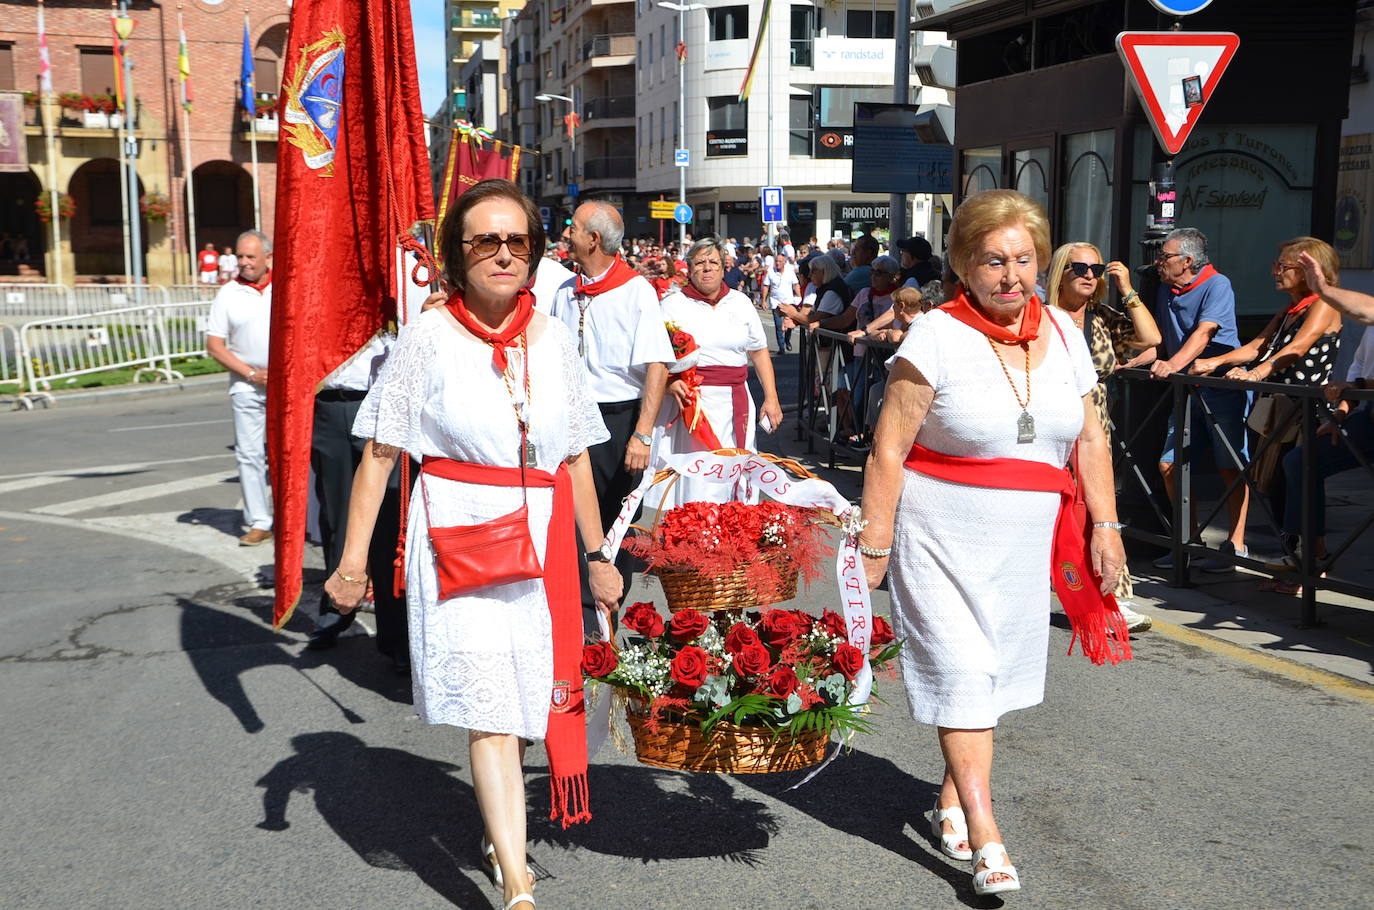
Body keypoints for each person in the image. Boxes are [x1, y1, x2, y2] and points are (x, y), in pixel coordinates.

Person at [324, 179, 621, 910]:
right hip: (459, 535)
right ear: (456, 257)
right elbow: (382, 454)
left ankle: (501, 831)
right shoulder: (427, 337)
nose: (503, 254)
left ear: (536, 253)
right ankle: (517, 883)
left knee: (524, 700)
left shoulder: (553, 340)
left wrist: (597, 554)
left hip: (545, 542)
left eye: (517, 241)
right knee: (492, 705)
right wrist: (352, 562)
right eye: (485, 240)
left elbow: (576, 455)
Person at [858, 189, 1126, 898]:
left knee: (991, 676)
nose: (1011, 276)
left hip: (1024, 544)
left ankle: (951, 791)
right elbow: (889, 451)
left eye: (1023, 260)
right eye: (993, 261)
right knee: (964, 670)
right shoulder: (937, 336)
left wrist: (1107, 528)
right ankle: (984, 830)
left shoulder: (1066, 334)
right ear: (964, 267)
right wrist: (875, 541)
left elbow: (1091, 438)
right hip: (938, 532)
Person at [549, 201, 674, 602]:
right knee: (568, 524)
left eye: (574, 227)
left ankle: (606, 630)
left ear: (594, 239)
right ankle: (573, 617)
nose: (567, 234)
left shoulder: (635, 291)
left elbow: (657, 365)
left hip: (618, 421)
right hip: (571, 419)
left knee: (614, 527)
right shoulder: (565, 291)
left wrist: (642, 435)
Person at [1189, 237, 1343, 558]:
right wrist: (1214, 362)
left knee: (1297, 486)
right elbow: (1258, 346)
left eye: (1283, 266)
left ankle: (1312, 563)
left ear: (1306, 271)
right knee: (1276, 487)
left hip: (1305, 412)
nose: (1275, 272)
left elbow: (1297, 348)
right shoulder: (1289, 309)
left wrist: (1255, 374)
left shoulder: (1323, 305)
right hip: (1280, 410)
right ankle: (1296, 560)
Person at [1047, 241, 1164, 633]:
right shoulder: (1040, 317)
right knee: (1056, 511)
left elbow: (1150, 338)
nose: (1088, 275)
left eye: (1095, 270)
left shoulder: (1101, 317)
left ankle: (1111, 596)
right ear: (1060, 271)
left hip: (1094, 426)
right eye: (1079, 268)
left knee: (1099, 512)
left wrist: (1127, 287)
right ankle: (1071, 590)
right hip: (1049, 425)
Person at [1135, 227, 1251, 570]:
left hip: (1220, 387)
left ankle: (1236, 545)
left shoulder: (1218, 284)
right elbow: (1158, 341)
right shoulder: (1164, 289)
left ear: (1187, 261)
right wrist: (1128, 362)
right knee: (1169, 465)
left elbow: (1203, 333)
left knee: (1231, 467)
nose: (1159, 263)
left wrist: (1172, 364)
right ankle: (1189, 542)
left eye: (1165, 257)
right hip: (1185, 388)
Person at [659, 238, 783, 507]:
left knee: (738, 466)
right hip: (693, 406)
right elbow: (654, 359)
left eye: (713, 262)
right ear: (689, 269)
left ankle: (737, 536)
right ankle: (696, 537)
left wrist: (771, 398)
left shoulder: (740, 303)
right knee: (701, 477)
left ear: (723, 267)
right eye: (700, 263)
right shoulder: (672, 305)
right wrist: (669, 384)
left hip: (737, 400)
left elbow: (759, 352)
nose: (707, 268)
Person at [1273, 324, 1374, 585]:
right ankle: (1308, 554)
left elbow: (1356, 380)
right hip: (1369, 417)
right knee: (1300, 461)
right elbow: (1358, 369)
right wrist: (1339, 415)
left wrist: (1357, 385)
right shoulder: (1371, 322)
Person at [205, 230, 274, 546]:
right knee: (249, 455)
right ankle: (260, 521)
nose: (244, 263)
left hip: (287, 386)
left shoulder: (285, 286)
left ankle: (306, 520)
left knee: (297, 454)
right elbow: (215, 345)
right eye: (240, 257)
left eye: (250, 257)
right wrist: (249, 373)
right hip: (247, 386)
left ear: (267, 257)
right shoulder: (228, 293)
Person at [762, 252, 799, 353]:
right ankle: (781, 347)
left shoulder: (790, 271)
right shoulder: (771, 271)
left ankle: (787, 339)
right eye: (776, 261)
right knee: (779, 326)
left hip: (788, 302)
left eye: (780, 261)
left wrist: (799, 297)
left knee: (789, 324)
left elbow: (796, 285)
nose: (777, 263)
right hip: (775, 302)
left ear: (784, 262)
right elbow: (766, 286)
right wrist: (764, 300)